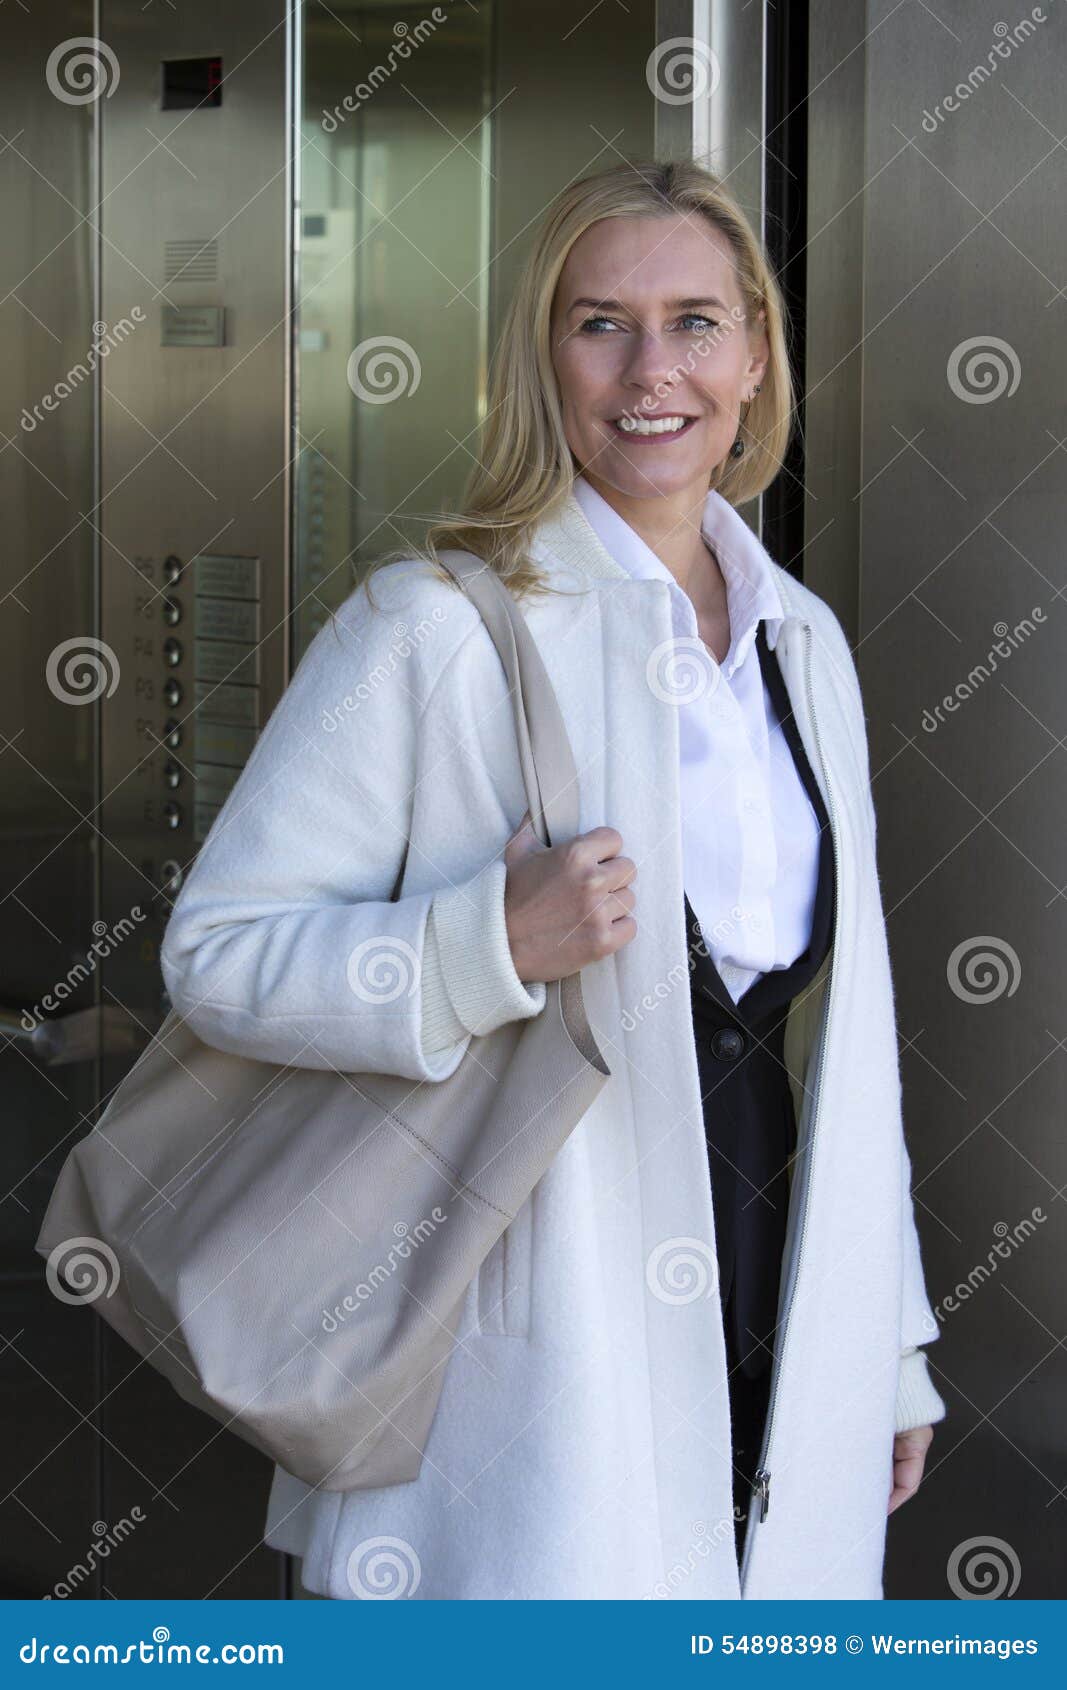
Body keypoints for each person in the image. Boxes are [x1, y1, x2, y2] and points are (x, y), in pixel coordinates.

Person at [160, 158, 946, 1601]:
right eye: (602, 323)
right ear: (543, 356)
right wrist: (489, 942)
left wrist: (883, 1336)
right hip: (535, 1360)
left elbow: (854, 1035)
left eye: (697, 321)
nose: (655, 371)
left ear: (757, 354)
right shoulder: (434, 627)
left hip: (784, 1308)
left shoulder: (803, 646)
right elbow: (218, 953)